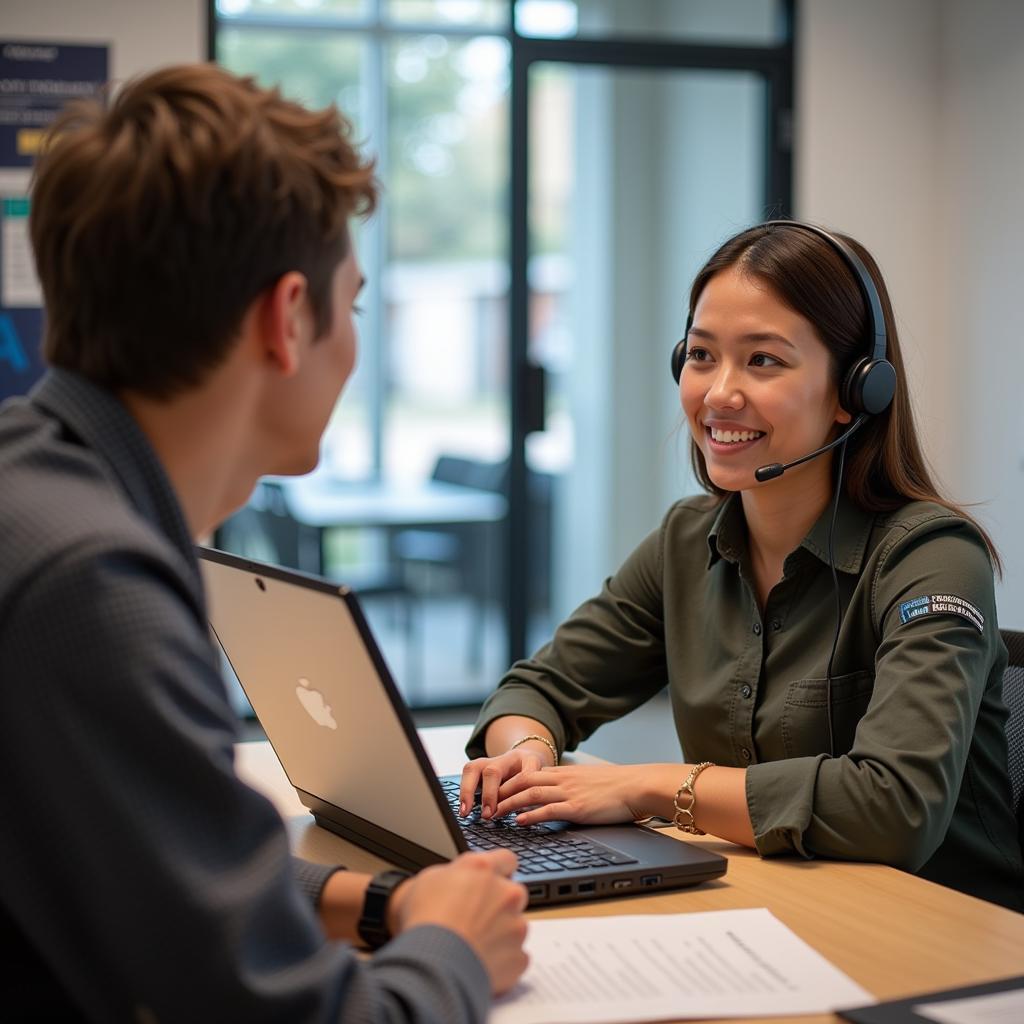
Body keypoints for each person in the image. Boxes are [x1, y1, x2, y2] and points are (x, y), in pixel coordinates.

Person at [0, 63, 528, 1022]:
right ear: (288, 319)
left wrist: (377, 902)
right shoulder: (94, 589)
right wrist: (452, 951)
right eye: (354, 306)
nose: (353, 340)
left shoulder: (30, 489)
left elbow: (157, 868)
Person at [460, 220, 1024, 913]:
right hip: (765, 910)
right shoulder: (686, 540)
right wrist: (528, 756)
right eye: (701, 355)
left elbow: (896, 806)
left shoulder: (931, 557)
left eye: (763, 361)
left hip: (937, 936)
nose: (719, 394)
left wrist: (649, 787)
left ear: (857, 390)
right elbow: (541, 687)